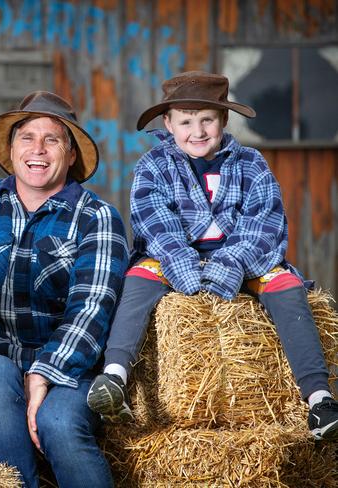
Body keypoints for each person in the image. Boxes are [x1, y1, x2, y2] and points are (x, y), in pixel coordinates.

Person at [86, 71, 338, 441]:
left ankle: (319, 399)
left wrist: (232, 262)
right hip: (172, 257)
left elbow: (264, 225)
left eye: (207, 120)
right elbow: (155, 226)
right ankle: (115, 376)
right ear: (168, 124)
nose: (197, 131)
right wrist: (183, 265)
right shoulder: (153, 167)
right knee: (138, 279)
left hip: (243, 258)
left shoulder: (251, 164)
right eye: (186, 121)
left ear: (223, 120)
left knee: (286, 284)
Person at [0, 91, 129, 488]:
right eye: (27, 137)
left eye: (53, 139)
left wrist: (43, 374)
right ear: (11, 150)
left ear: (71, 154)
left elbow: (92, 309)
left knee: (59, 422)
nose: (38, 150)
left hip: (70, 367)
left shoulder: (97, 218)